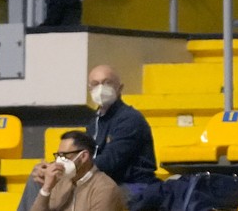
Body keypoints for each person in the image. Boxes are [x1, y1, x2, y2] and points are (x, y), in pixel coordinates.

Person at [18, 65, 157, 211]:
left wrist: (62, 170)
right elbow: (81, 157)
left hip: (131, 185)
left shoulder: (130, 119)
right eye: (95, 84)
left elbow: (109, 163)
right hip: (98, 179)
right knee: (39, 179)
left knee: (80, 194)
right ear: (89, 89)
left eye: (107, 82)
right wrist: (51, 169)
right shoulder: (94, 122)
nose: (101, 88)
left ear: (120, 88)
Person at [31, 130, 125, 211]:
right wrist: (46, 188)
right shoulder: (59, 182)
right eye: (58, 155)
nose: (60, 161)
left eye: (65, 156)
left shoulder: (104, 188)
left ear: (83, 156)